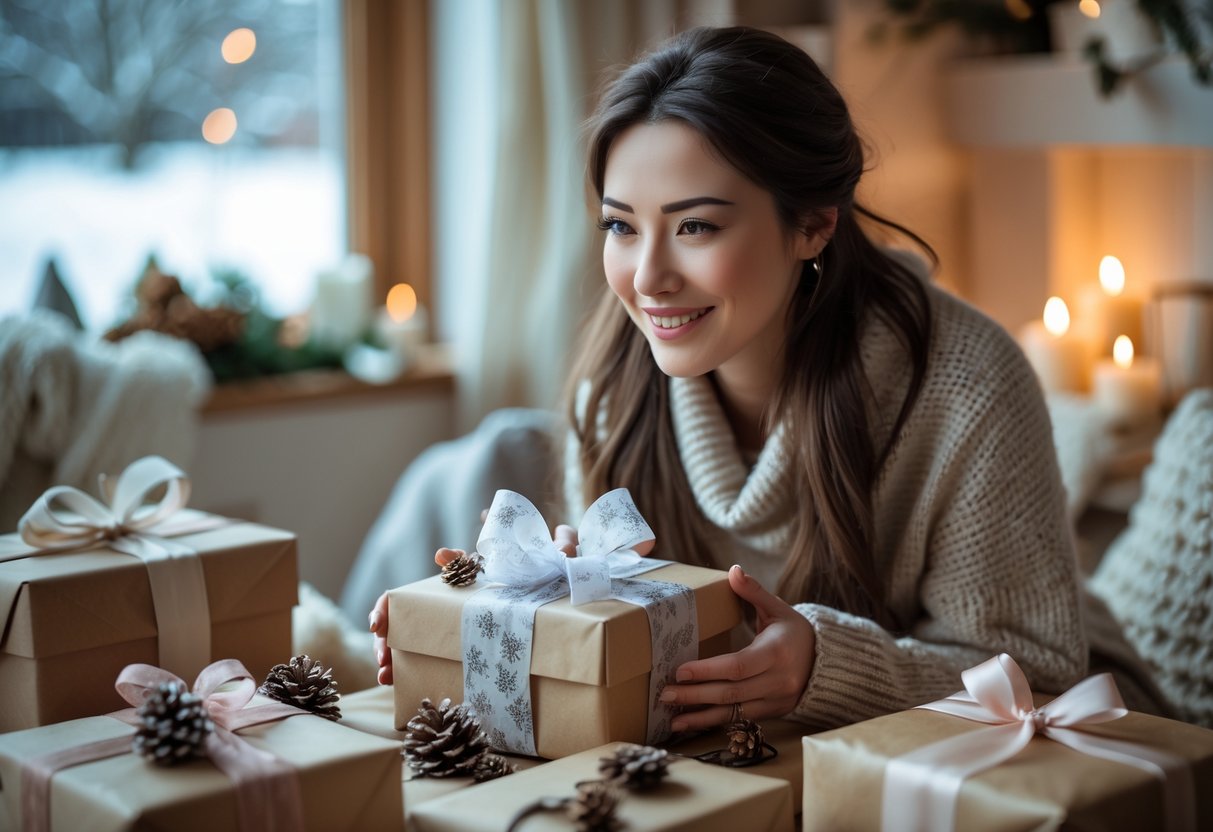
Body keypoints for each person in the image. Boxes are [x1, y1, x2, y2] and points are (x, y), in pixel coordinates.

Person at [370, 25, 1167, 731]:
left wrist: (825, 666)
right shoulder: (613, 383)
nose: (646, 278)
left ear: (813, 223)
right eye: (620, 225)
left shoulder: (966, 383)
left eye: (695, 227)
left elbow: (1044, 682)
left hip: (1077, 725)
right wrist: (500, 633)